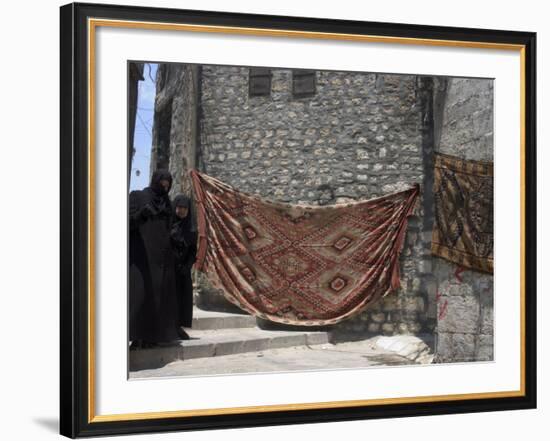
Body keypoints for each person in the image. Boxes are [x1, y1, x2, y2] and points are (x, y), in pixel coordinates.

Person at [129, 170, 180, 349]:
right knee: (140, 297)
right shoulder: (138, 197)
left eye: (167, 185)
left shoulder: (167, 203)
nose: (164, 188)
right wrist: (141, 215)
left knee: (158, 299)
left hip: (162, 259)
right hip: (142, 256)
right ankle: (136, 338)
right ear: (155, 181)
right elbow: (126, 224)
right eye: (162, 184)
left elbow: (171, 226)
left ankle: (153, 337)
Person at [170, 194, 198, 340]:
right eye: (180, 207)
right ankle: (169, 327)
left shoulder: (191, 229)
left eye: (185, 208)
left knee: (182, 299)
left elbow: (193, 250)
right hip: (169, 269)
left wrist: (187, 265)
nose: (182, 211)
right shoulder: (168, 224)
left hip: (183, 270)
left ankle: (178, 327)